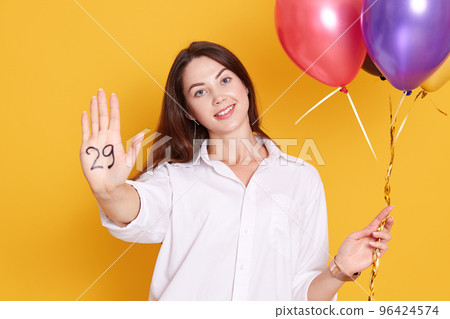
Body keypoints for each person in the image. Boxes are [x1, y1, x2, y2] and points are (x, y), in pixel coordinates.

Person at [80, 41, 394, 301]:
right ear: (190, 112)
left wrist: (339, 270)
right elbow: (135, 210)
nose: (218, 97)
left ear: (245, 86)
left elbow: (300, 297)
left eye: (225, 79)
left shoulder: (301, 178)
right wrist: (108, 189)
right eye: (199, 92)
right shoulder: (176, 179)